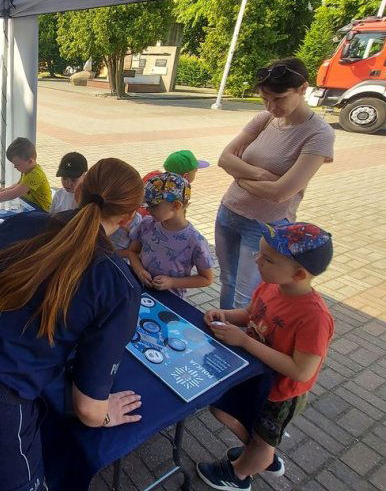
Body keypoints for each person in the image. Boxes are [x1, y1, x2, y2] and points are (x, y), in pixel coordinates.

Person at [0, 158, 146, 490]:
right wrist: (106, 411)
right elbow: (88, 410)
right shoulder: (116, 285)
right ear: (129, 217)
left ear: (79, 190)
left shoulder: (24, 222)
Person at [198, 222, 334, 491]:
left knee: (264, 439)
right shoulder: (272, 285)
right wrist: (225, 316)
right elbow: (250, 313)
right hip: (254, 375)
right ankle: (260, 453)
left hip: (280, 393)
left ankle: (239, 474)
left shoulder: (314, 317)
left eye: (267, 258)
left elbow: (301, 371)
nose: (257, 259)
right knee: (221, 407)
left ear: (298, 274)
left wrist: (245, 341)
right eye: (260, 253)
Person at [215, 57, 335, 309]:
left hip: (264, 227)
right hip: (229, 212)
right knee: (227, 280)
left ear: (302, 88)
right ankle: (222, 329)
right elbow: (225, 158)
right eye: (265, 99)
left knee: (246, 295)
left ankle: (237, 340)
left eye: (278, 98)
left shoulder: (319, 134)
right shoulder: (264, 120)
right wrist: (258, 175)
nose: (271, 106)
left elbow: (281, 192)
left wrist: (239, 176)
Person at [127, 172, 214, 296]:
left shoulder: (195, 241)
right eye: (146, 204)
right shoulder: (147, 224)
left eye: (153, 205)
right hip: (138, 288)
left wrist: (172, 282)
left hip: (171, 299)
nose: (147, 209)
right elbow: (132, 252)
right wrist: (139, 270)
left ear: (176, 206)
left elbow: (207, 279)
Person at [0, 137, 51, 212]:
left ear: (30, 161)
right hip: (30, 206)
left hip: (41, 211)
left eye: (17, 165)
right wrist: (6, 189)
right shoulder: (28, 170)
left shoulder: (35, 175)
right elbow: (19, 185)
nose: (15, 167)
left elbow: (14, 194)